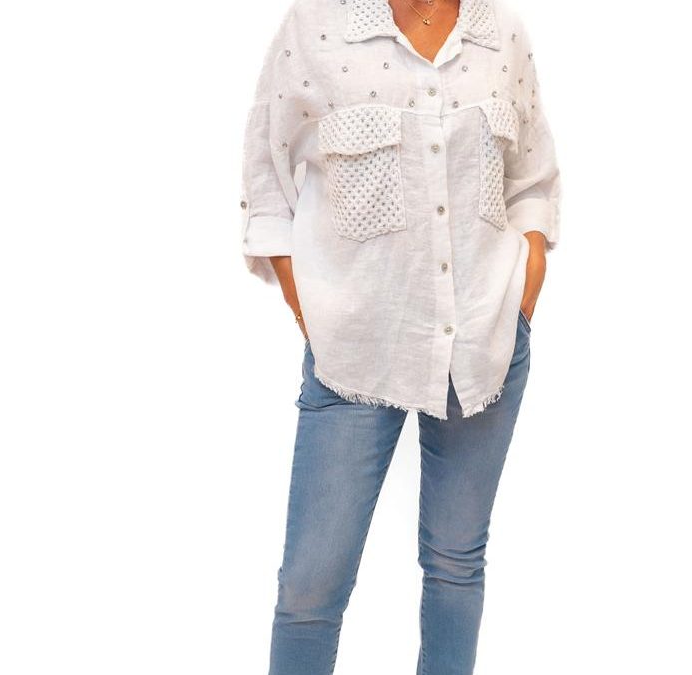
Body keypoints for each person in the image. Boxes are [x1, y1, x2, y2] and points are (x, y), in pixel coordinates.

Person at [239, 0, 561, 672]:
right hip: (354, 354)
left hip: (483, 344)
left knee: (455, 563)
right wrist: (308, 307)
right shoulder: (317, 27)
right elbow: (266, 180)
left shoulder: (501, 32)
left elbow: (532, 178)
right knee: (310, 588)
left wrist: (528, 275)